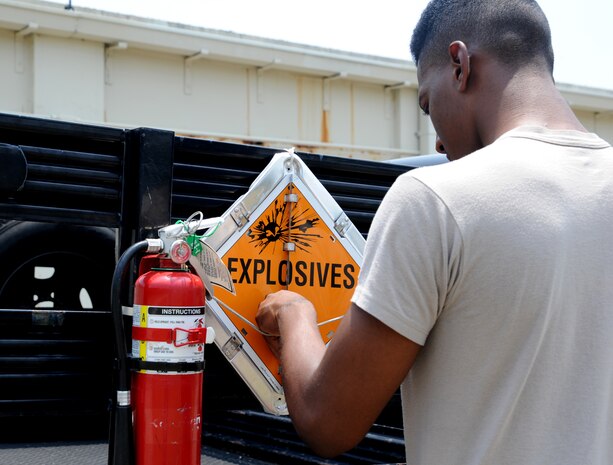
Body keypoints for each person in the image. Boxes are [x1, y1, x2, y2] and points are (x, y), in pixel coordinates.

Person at [256, 0, 613, 463]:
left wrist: (294, 313)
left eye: (428, 104)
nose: (439, 142)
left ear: (460, 64)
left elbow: (328, 421)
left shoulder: (433, 201)